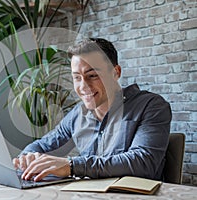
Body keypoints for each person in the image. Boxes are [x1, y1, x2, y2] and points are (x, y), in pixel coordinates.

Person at [12, 38, 172, 182]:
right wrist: (27, 158)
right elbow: (43, 145)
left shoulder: (151, 106)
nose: (83, 86)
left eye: (93, 75)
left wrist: (72, 166)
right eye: (77, 77)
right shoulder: (77, 114)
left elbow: (143, 163)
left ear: (116, 72)